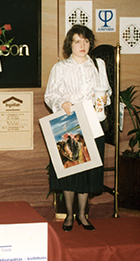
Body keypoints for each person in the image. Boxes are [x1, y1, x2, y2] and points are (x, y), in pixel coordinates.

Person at [44, 24, 111, 232]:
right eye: (77, 41)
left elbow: (106, 92)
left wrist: (102, 100)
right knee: (71, 170)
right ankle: (69, 215)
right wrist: (62, 102)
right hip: (70, 123)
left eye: (86, 41)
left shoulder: (98, 64)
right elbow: (50, 95)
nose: (82, 45)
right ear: (69, 44)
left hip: (92, 122)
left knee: (88, 172)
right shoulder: (60, 67)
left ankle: (83, 214)